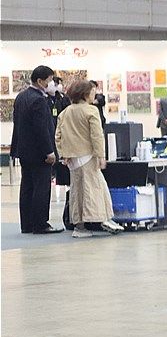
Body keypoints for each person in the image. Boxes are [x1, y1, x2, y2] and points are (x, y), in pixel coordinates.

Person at [55, 80, 123, 238]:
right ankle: (103, 218)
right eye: (93, 92)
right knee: (96, 188)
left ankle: (79, 226)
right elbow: (96, 136)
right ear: (85, 94)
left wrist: (63, 154)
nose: (95, 95)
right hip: (88, 156)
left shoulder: (65, 112)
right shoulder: (91, 111)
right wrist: (101, 155)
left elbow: (58, 136)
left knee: (76, 192)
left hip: (72, 159)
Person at [11, 65, 61, 234]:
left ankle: (27, 224)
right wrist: (49, 151)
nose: (52, 84)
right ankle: (40, 223)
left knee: (27, 186)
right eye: (50, 80)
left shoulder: (21, 97)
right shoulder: (39, 100)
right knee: (41, 187)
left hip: (24, 151)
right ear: (40, 81)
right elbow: (41, 129)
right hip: (39, 152)